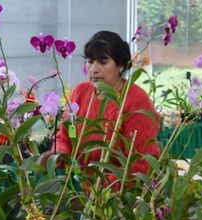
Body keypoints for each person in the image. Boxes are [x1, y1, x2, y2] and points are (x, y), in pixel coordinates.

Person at [41, 30, 160, 178]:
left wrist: (101, 191)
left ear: (121, 65)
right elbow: (68, 133)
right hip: (82, 189)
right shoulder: (80, 93)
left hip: (117, 193)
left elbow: (142, 163)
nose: (94, 69)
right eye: (90, 61)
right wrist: (60, 153)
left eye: (103, 62)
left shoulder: (136, 101)